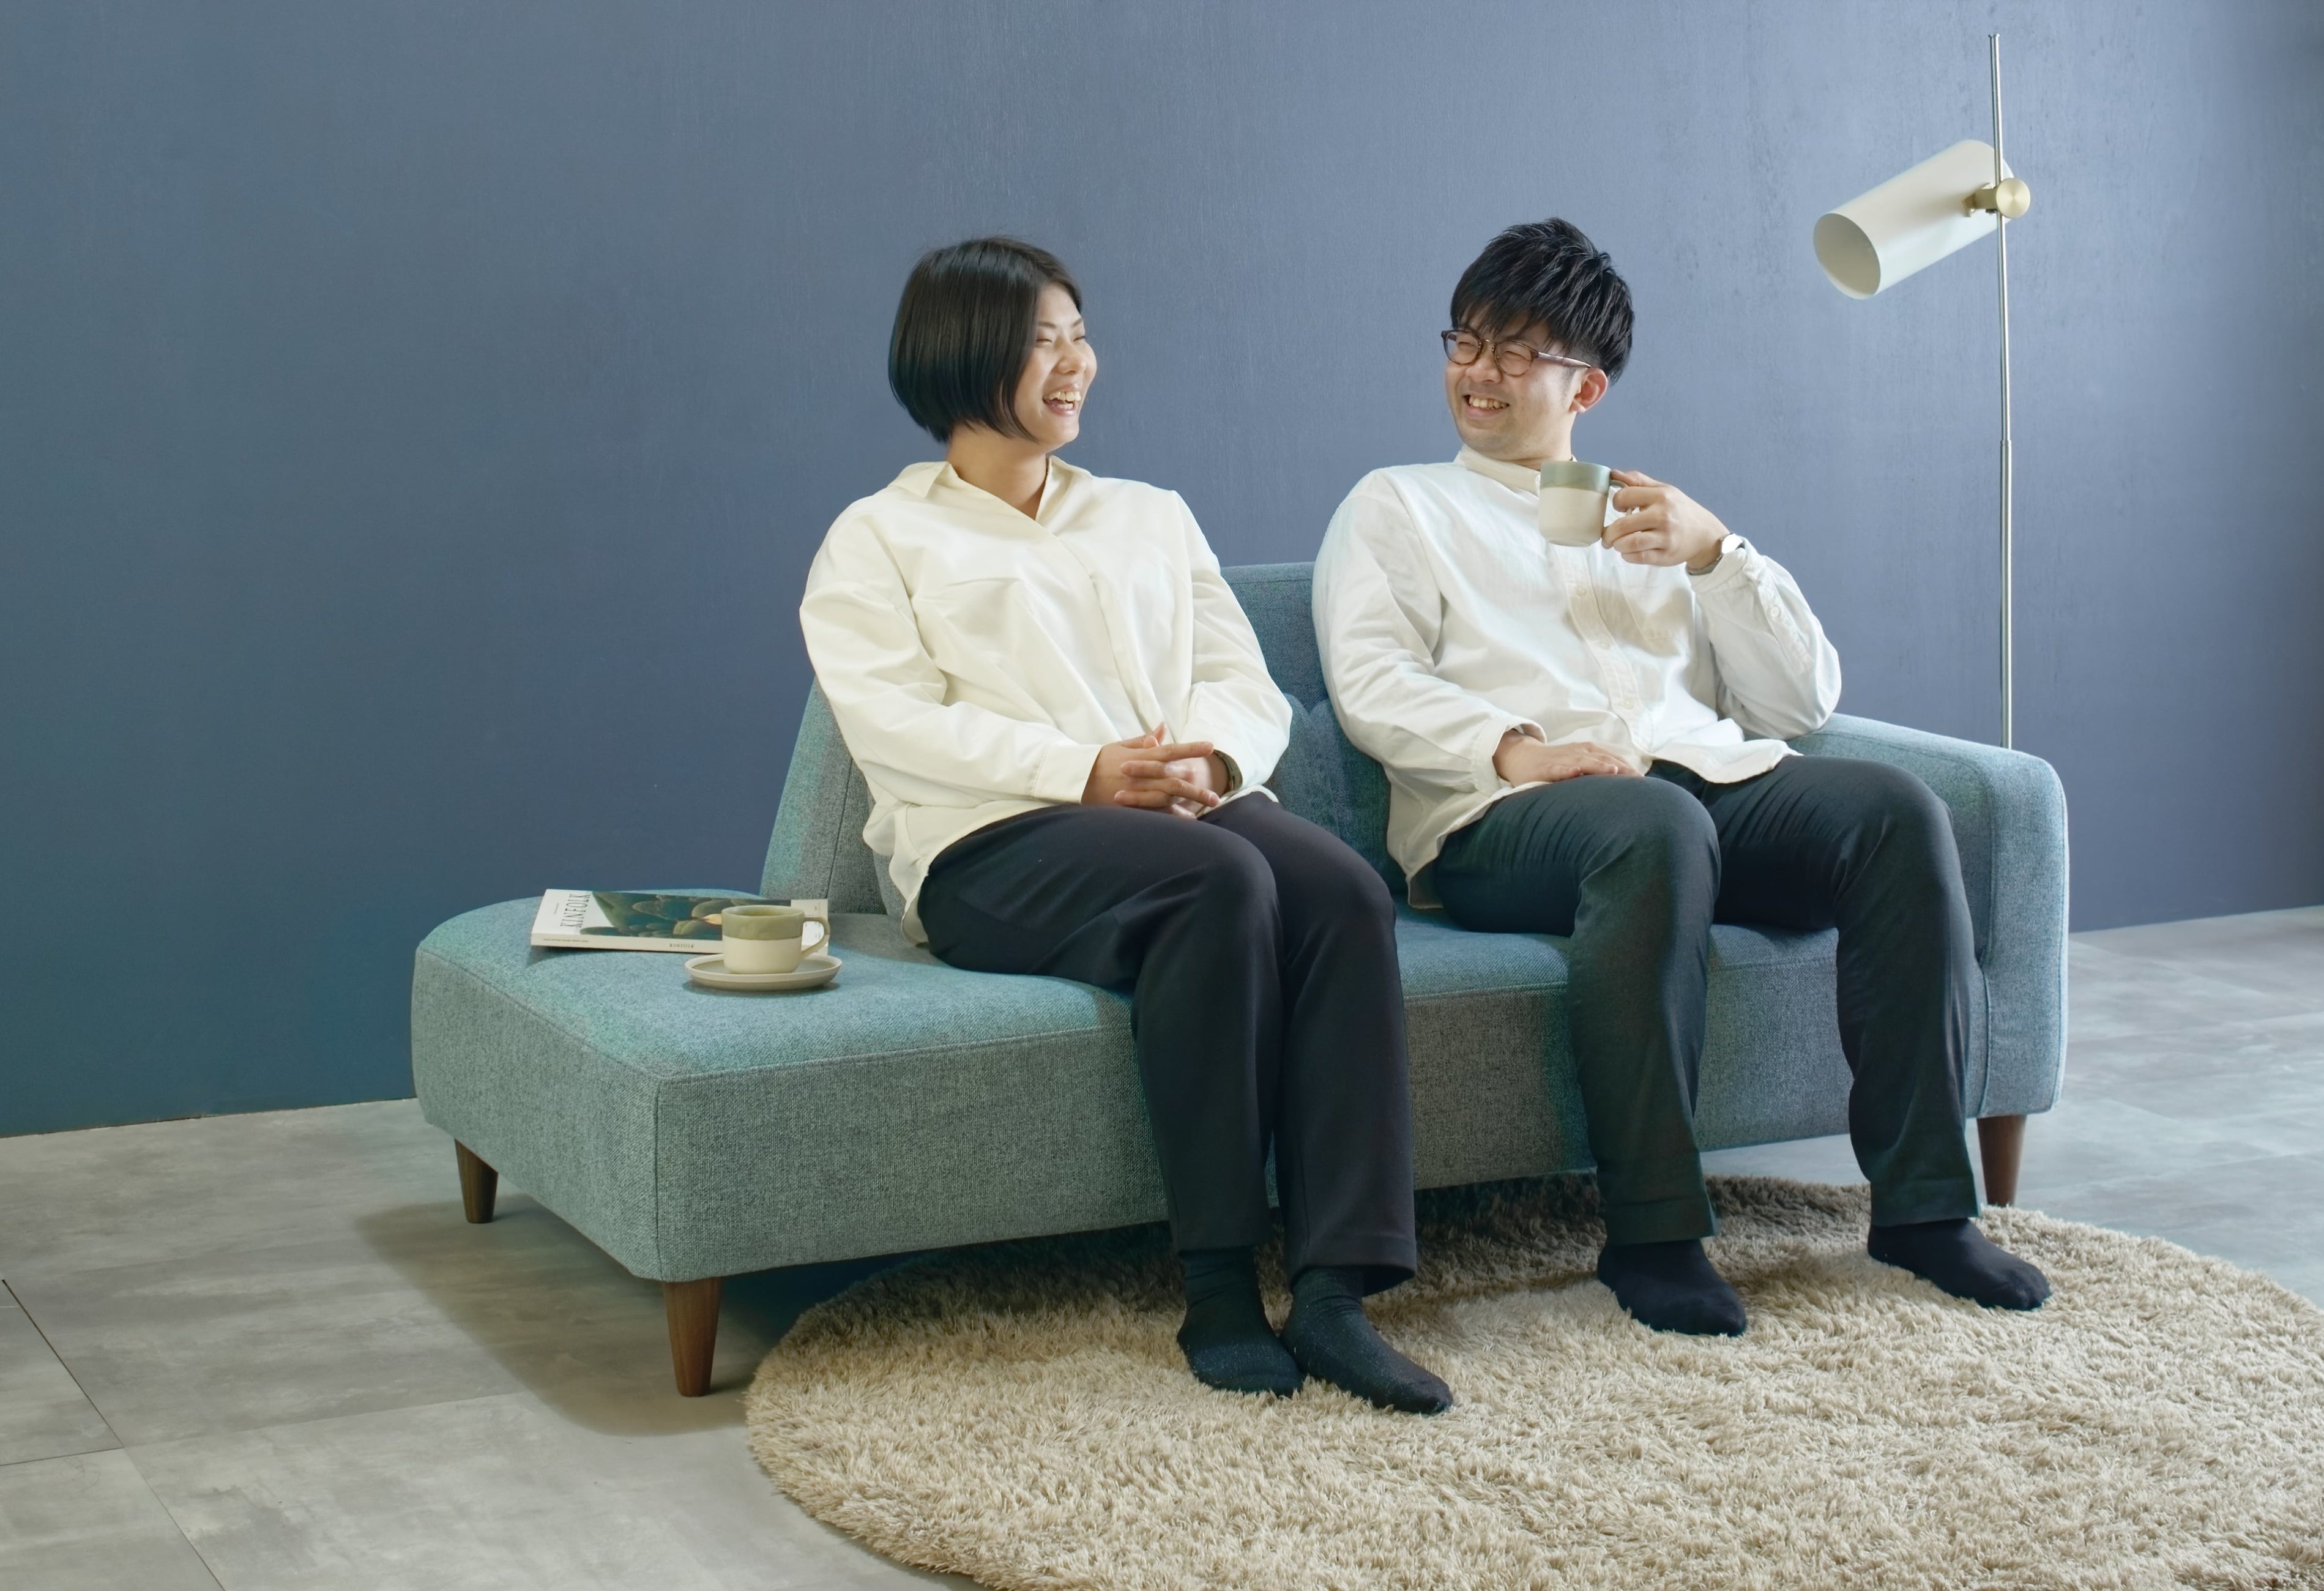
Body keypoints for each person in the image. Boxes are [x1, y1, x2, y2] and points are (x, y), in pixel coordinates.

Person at [1313, 218, 2049, 1337]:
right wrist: (1517, 748)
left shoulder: (1654, 517)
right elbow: (1370, 680)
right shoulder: (1399, 505)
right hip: (1509, 817)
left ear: (1586, 387)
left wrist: (1718, 556)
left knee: (1895, 812)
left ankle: (1927, 1214)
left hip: (1692, 789)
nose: (1479, 371)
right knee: (1650, 825)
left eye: (1516, 352)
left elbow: (1798, 704)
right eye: (1466, 341)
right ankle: (1654, 1234)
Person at [800, 237, 1448, 1412]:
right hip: (991, 844)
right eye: (1042, 342)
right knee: (1216, 884)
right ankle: (1218, 1285)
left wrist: (1213, 757)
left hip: (1184, 808)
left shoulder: (1150, 516)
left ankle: (1337, 1295)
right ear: (964, 357)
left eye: (1080, 336)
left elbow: (1241, 678)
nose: (1076, 364)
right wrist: (1082, 772)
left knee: (1344, 893)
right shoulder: (878, 537)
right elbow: (894, 725)